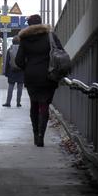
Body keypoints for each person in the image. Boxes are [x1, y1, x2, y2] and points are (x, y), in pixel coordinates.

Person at [15, 14, 65, 147]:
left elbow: (18, 61)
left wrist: (28, 67)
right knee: (44, 105)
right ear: (41, 23)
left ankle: (35, 133)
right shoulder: (50, 36)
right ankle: (41, 136)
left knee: (34, 105)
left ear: (29, 25)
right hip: (49, 76)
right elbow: (61, 53)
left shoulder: (24, 39)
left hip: (32, 76)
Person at [2, 35, 24, 107]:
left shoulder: (9, 50)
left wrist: (5, 72)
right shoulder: (23, 50)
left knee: (10, 87)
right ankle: (18, 103)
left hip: (12, 71)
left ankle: (8, 102)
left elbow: (7, 61)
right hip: (21, 71)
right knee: (20, 88)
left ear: (12, 42)